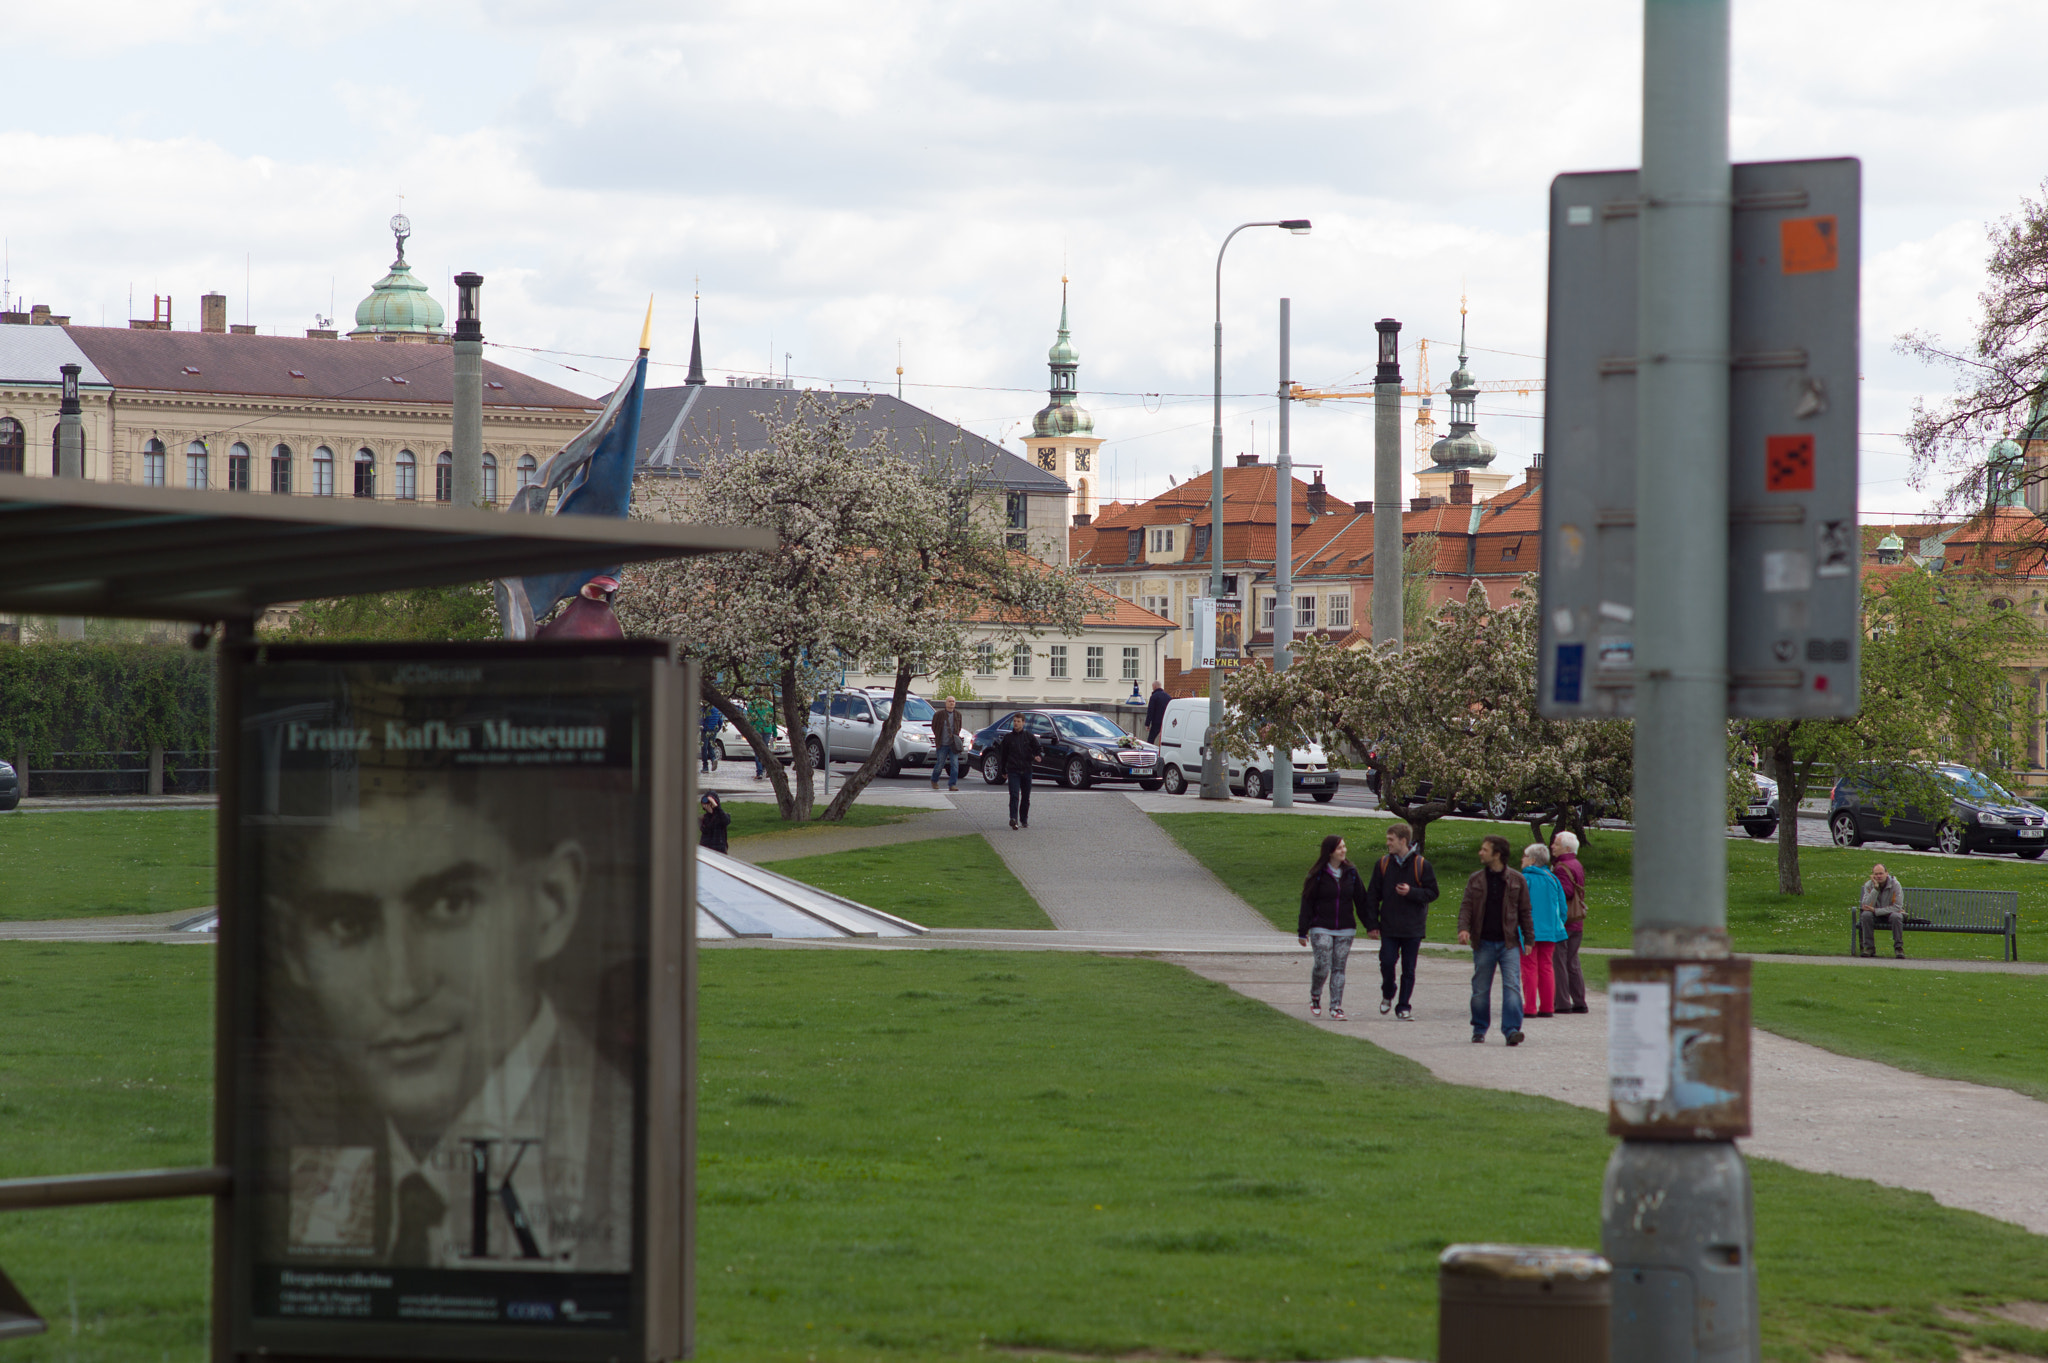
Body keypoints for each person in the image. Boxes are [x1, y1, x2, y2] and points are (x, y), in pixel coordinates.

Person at [266, 779, 631, 1270]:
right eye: (346, 924)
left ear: (551, 904)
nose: (402, 988)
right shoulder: (306, 1135)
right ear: (295, 951)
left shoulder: (625, 1152)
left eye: (451, 905)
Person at [1457, 834, 1532, 1046]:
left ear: (1497, 854)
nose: (1480, 852)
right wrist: (1463, 929)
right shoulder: (1476, 879)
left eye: (1484, 850)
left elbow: (1525, 911)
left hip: (1509, 943)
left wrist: (1528, 938)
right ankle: (1479, 1028)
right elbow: (1466, 907)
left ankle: (1511, 1030)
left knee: (1512, 987)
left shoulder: (1517, 880)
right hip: (1484, 943)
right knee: (1480, 989)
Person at [1362, 822, 1438, 1019]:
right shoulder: (1383, 864)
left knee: (1408, 969)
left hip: (1413, 927)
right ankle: (1388, 992)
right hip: (1389, 925)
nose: (1388, 844)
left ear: (1403, 841)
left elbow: (1433, 892)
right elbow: (1372, 895)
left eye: (1391, 840)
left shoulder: (1422, 865)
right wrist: (1372, 924)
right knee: (1387, 962)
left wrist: (1411, 892)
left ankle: (1403, 1005)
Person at [1296, 833, 1367, 1021]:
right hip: (1321, 927)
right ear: (1330, 852)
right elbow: (1307, 903)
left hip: (1346, 928)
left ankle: (1336, 1007)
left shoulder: (1351, 872)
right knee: (1322, 964)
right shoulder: (1317, 874)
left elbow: (1361, 900)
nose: (1344, 850)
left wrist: (1371, 926)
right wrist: (1302, 931)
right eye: (1339, 848)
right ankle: (1315, 994)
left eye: (1344, 846)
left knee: (1339, 968)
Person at [1520, 844, 1568, 1019]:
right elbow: (1563, 907)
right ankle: (1547, 1006)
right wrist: (1557, 924)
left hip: (1529, 931)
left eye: (1525, 856)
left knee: (1529, 967)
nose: (1522, 859)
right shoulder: (1552, 878)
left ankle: (1530, 1007)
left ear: (1532, 860)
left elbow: (1518, 906)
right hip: (1549, 931)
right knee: (1547, 967)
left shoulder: (1525, 879)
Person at [1550, 830, 1589, 1014]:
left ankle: (1562, 1002)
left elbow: (1565, 892)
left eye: (1556, 844)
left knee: (1560, 961)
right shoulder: (1576, 864)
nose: (1552, 847)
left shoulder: (1561, 867)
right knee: (1572, 962)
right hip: (1577, 922)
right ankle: (1580, 1000)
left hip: (1565, 922)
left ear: (1566, 848)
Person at [995, 713, 1042, 830]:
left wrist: (1038, 756)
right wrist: (1003, 770)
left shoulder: (1029, 737)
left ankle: (1024, 819)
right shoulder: (1008, 738)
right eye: (1014, 721)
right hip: (1013, 770)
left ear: (1023, 723)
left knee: (1026, 797)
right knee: (1014, 795)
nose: (1016, 723)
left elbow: (1038, 749)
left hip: (1026, 770)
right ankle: (1013, 819)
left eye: (1018, 721)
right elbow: (1003, 755)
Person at [1859, 862, 1905, 958]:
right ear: (1873, 875)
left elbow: (1897, 907)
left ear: (1886, 873)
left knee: (1896, 916)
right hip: (1875, 915)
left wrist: (1876, 910)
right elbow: (1866, 905)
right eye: (1876, 874)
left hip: (1891, 914)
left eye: (1881, 873)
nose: (1879, 876)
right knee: (1866, 915)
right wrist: (1875, 889)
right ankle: (1869, 948)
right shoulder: (1869, 885)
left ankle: (1898, 948)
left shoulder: (1895, 885)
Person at [930, 696, 970, 793]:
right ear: (945, 703)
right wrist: (939, 736)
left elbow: (958, 727)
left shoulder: (958, 715)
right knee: (940, 764)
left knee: (955, 764)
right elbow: (934, 726)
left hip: (953, 745)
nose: (951, 703)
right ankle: (934, 780)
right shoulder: (939, 714)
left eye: (953, 701)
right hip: (942, 744)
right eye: (949, 701)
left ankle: (952, 784)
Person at [745, 696, 778, 780]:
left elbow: (750, 719)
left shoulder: (752, 704)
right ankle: (766, 769)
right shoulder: (769, 705)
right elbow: (772, 720)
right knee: (765, 750)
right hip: (768, 729)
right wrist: (775, 733)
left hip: (757, 729)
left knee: (758, 751)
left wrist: (749, 730)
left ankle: (759, 772)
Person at [1144, 681, 1170, 746]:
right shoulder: (1168, 697)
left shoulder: (1154, 697)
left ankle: (1149, 753)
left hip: (1156, 722)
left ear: (1154, 686)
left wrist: (1147, 724)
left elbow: (1150, 711)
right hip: (1165, 721)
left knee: (1150, 740)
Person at [698, 706, 722, 774]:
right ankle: (713, 759)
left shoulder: (705, 708)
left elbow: (700, 718)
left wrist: (700, 726)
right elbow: (720, 721)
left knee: (704, 748)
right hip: (714, 730)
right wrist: (718, 729)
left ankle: (705, 767)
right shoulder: (717, 709)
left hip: (705, 729)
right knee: (711, 746)